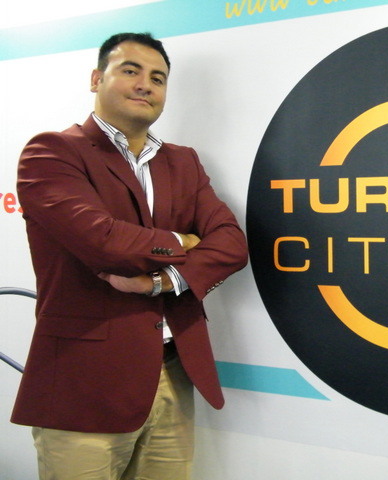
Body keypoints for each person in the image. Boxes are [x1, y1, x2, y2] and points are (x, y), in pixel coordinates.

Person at [11, 32, 248, 479]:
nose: (145, 85)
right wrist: (185, 241)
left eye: (158, 78)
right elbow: (103, 241)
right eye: (130, 70)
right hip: (84, 382)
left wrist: (163, 281)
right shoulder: (53, 152)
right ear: (96, 79)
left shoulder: (183, 162)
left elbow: (231, 243)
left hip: (173, 374)